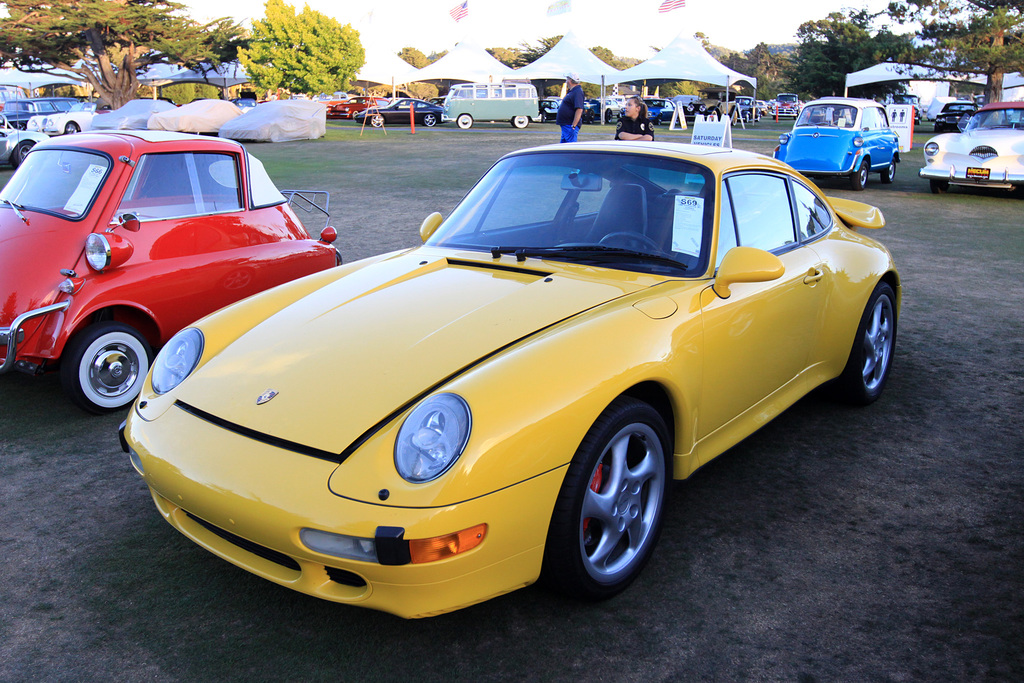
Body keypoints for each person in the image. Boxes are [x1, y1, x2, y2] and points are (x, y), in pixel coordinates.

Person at [556, 72, 585, 143]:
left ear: (571, 81)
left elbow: (579, 109)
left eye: (567, 79)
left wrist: (573, 126)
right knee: (563, 148)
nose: (566, 81)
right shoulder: (572, 91)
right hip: (566, 125)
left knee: (570, 147)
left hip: (569, 125)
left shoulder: (577, 92)